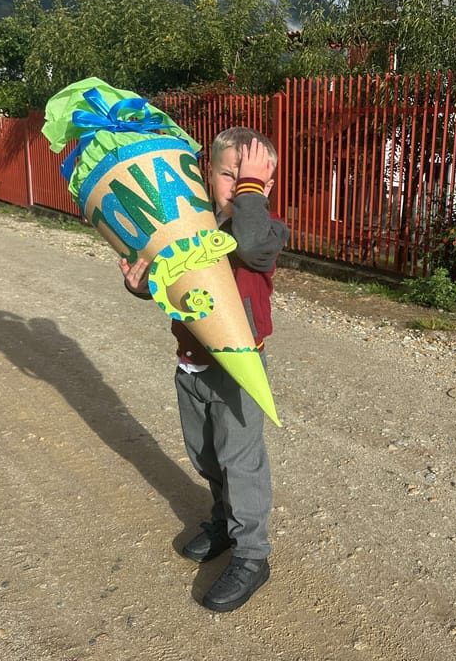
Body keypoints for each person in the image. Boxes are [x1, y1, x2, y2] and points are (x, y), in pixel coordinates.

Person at [119, 127, 289, 612]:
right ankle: (222, 523)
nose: (239, 185)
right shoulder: (190, 229)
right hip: (190, 366)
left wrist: (249, 193)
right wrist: (140, 284)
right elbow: (174, 289)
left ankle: (253, 555)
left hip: (238, 373)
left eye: (253, 178)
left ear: (268, 186)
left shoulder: (265, 231)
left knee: (241, 463)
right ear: (205, 175)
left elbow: (251, 247)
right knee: (206, 457)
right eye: (228, 174)